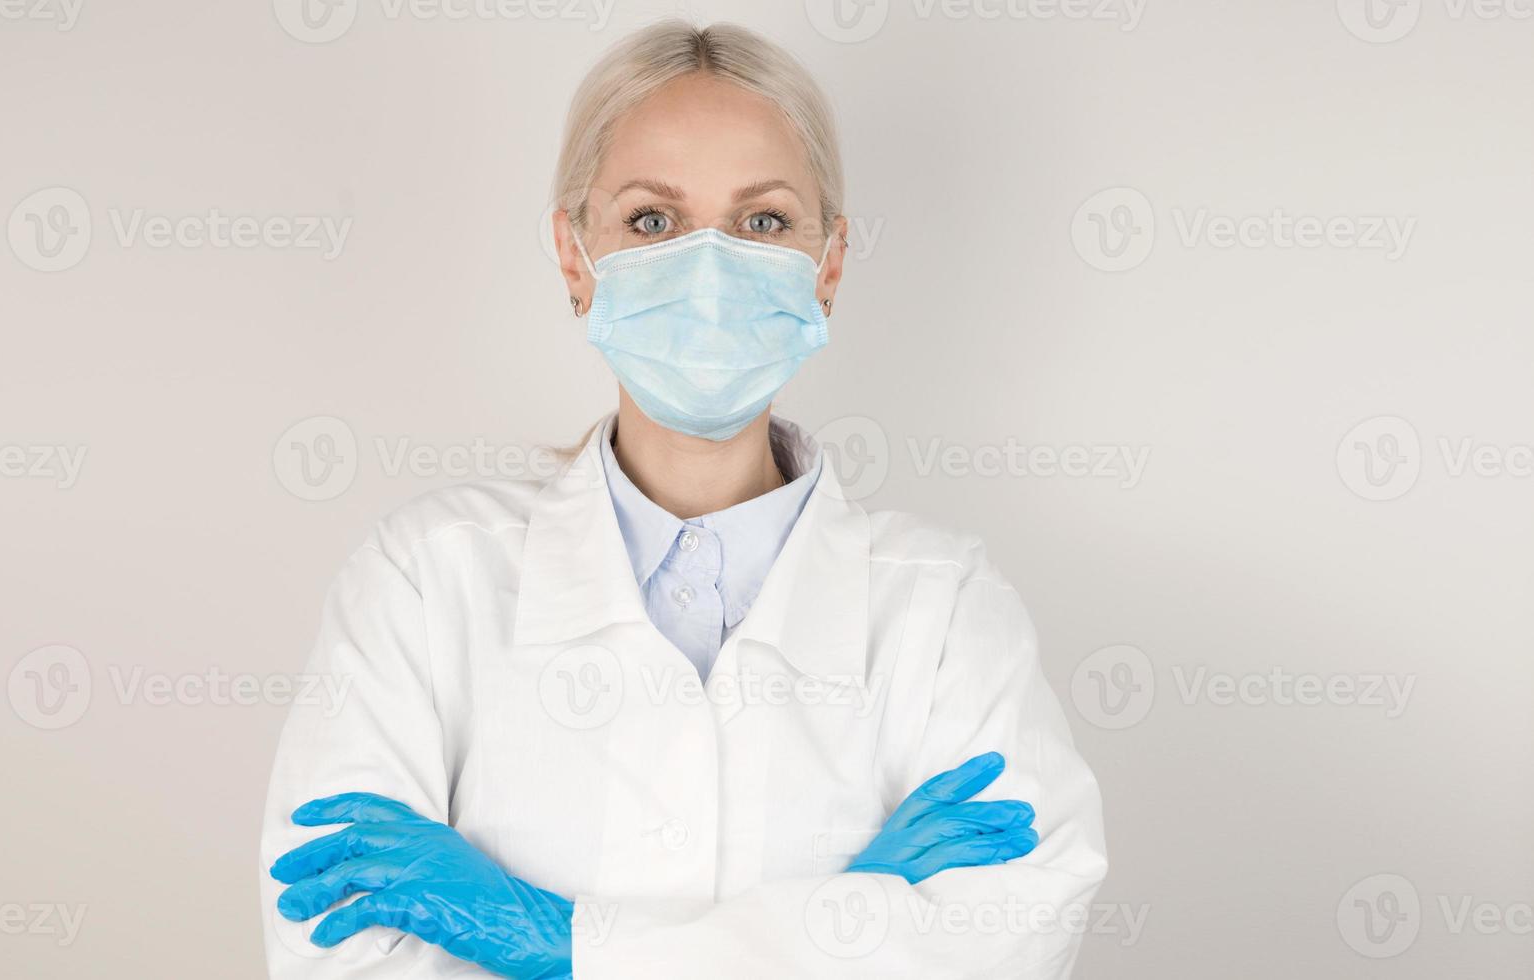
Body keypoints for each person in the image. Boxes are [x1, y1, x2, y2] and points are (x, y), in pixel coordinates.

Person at [261, 20, 1106, 979]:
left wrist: (563, 944)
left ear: (825, 267)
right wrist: (848, 922)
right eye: (653, 221)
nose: (710, 270)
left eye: (764, 222)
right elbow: (337, 944)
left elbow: (1011, 936)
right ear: (577, 259)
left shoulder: (945, 607)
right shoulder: (423, 579)